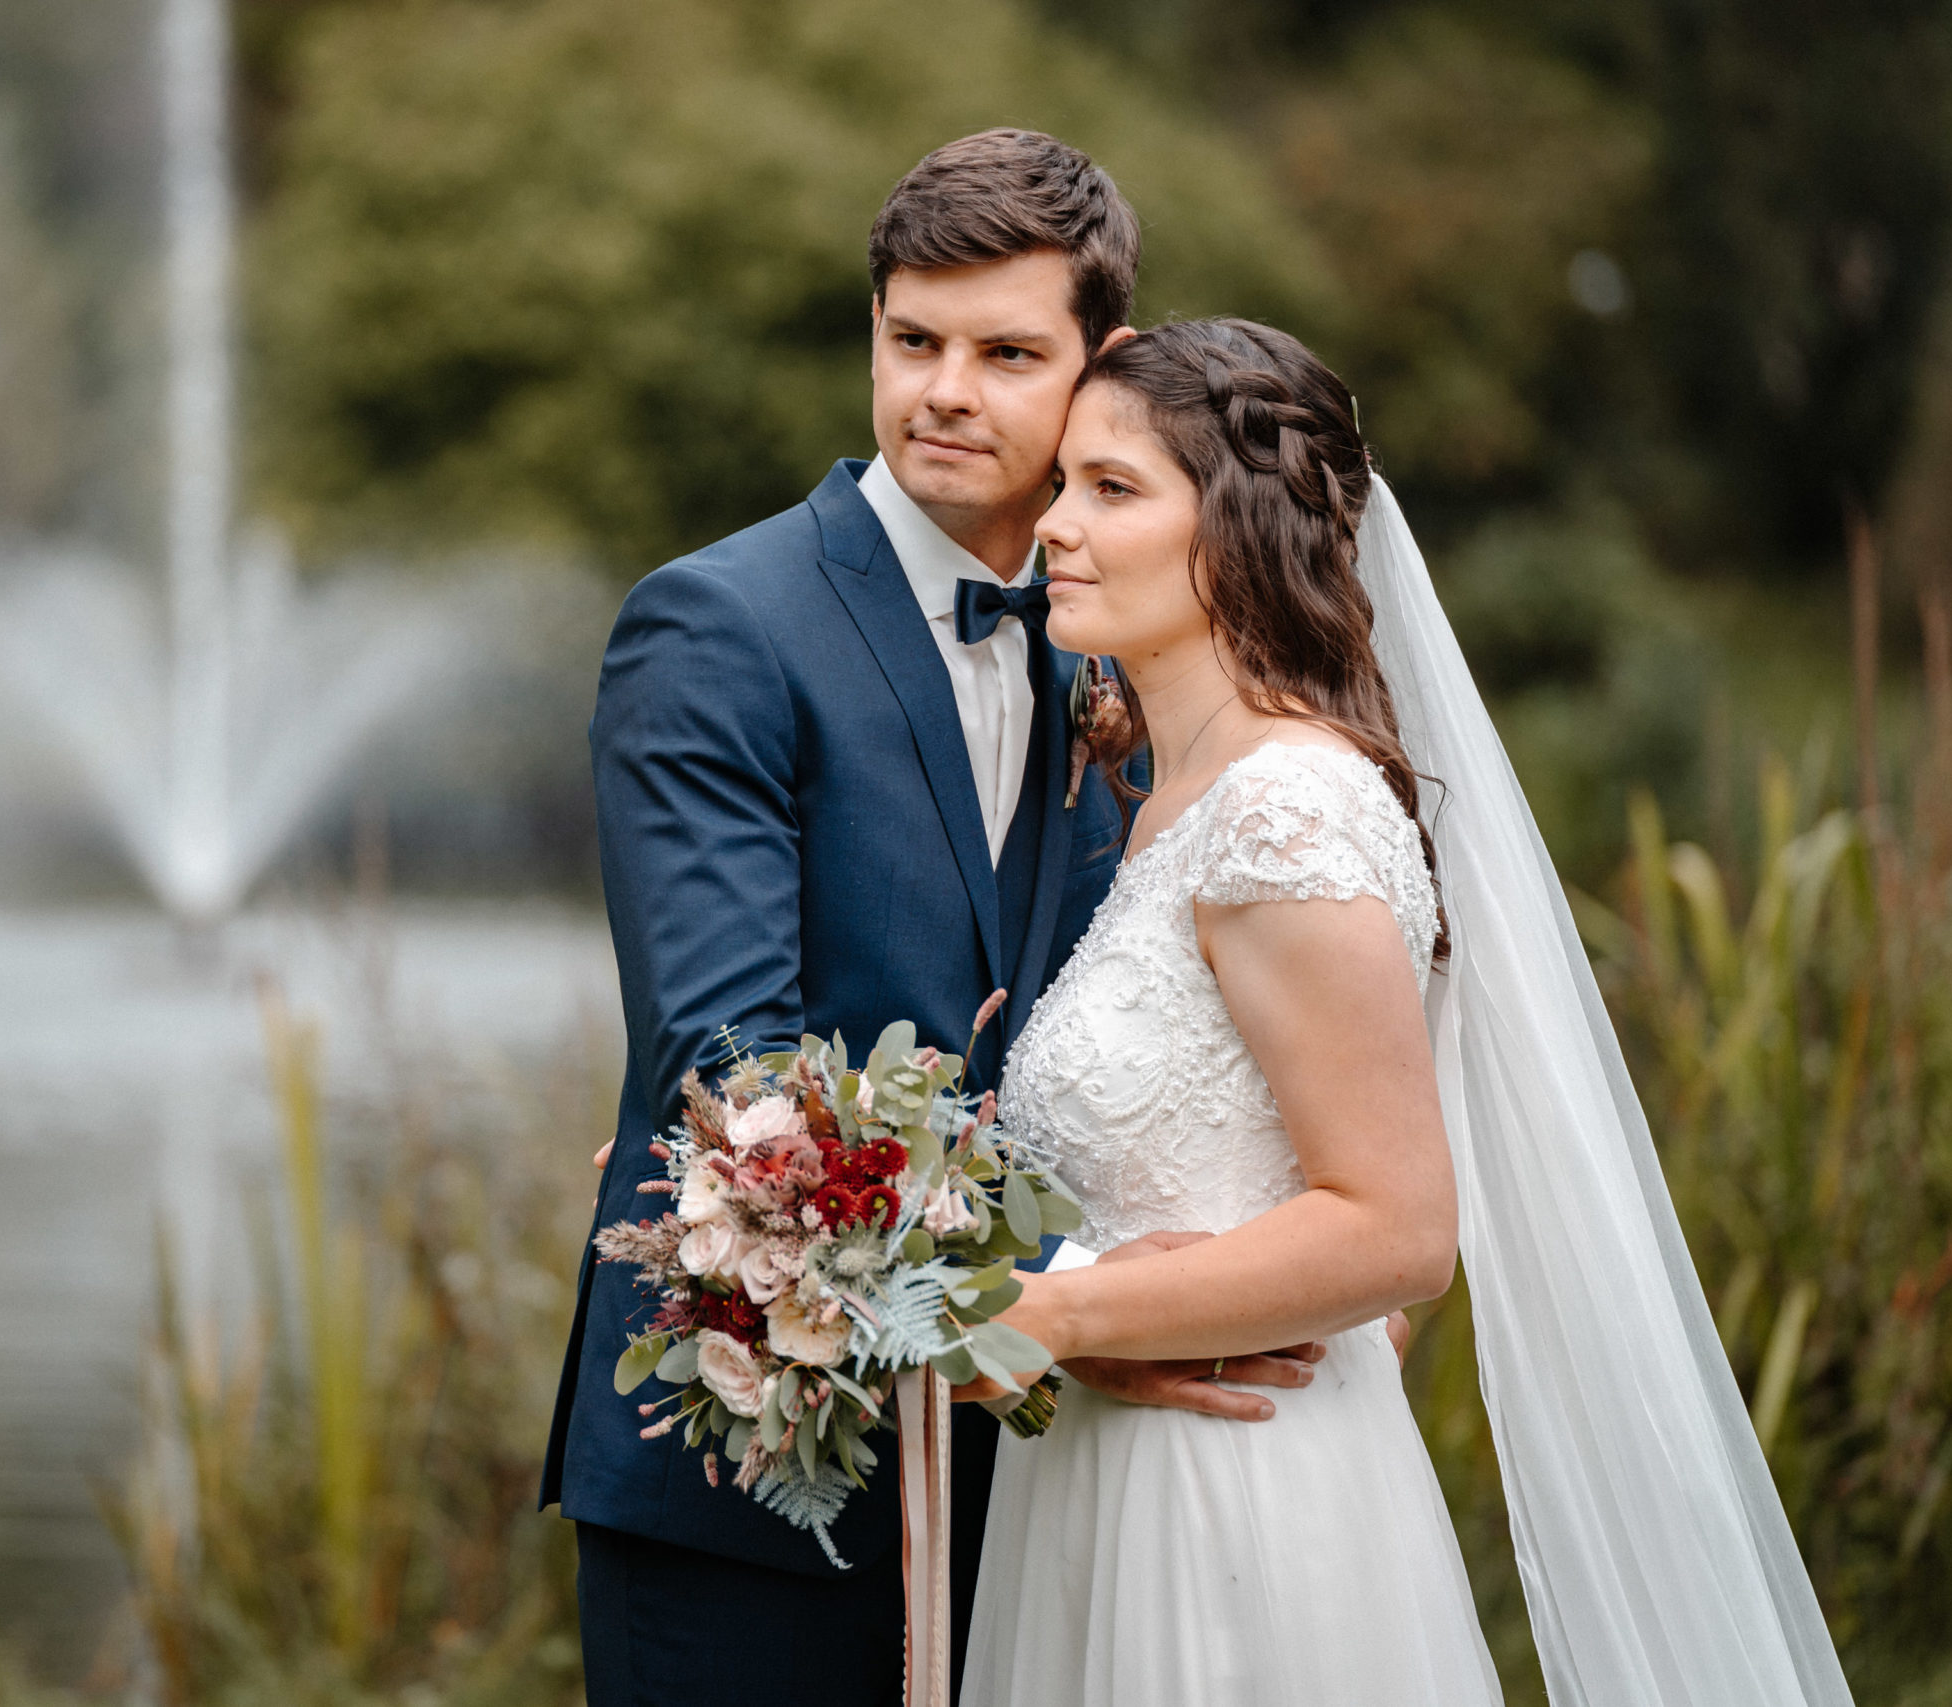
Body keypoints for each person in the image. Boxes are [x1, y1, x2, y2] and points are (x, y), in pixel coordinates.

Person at [957, 317, 1855, 1707]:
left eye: (1113, 490)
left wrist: (1057, 1320)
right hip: (1112, 1476)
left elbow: (1395, 1228)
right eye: (1064, 483)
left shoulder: (1284, 811)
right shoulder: (1170, 800)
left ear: (1241, 529)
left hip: (1233, 1498)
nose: (1055, 527)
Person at [540, 134, 1328, 1706]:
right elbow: (734, 1076)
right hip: (754, 1482)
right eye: (914, 341)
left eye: (1005, 352)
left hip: (1055, 1486)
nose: (945, 391)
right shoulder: (717, 627)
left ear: (1100, 365)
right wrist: (1060, 1310)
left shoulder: (1115, 636)